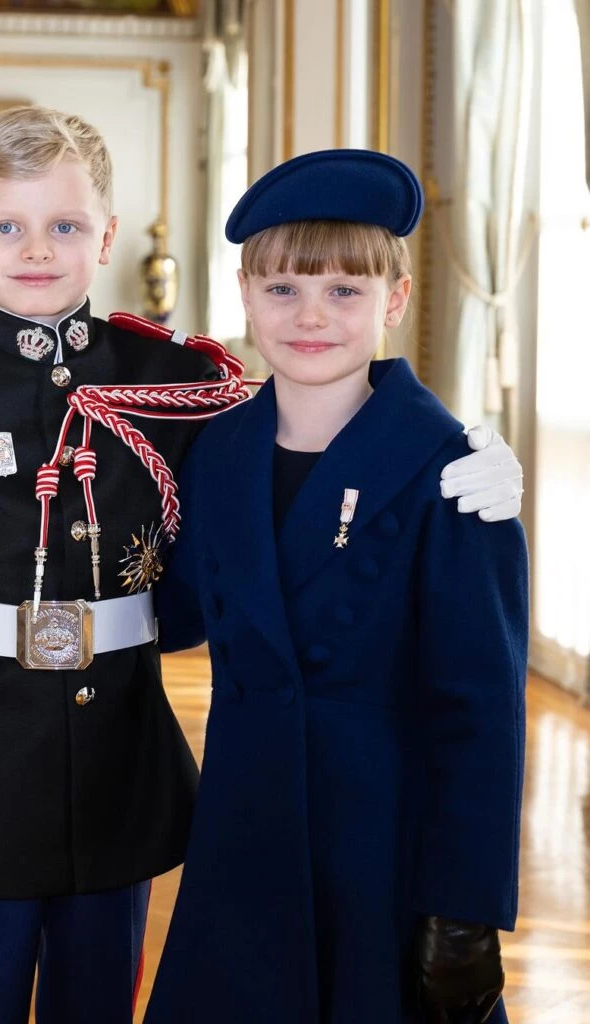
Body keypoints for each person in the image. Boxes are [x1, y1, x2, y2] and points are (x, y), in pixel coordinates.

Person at [0, 107, 522, 1024]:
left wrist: (474, 452)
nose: (37, 250)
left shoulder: (172, 386)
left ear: (106, 235)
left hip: (130, 790)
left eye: (66, 225)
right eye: (6, 226)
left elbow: (261, 550)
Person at [144, 150, 527, 1024]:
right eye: (282, 291)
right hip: (243, 832)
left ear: (393, 299)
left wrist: (465, 914)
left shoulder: (452, 473)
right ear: (244, 293)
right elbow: (174, 614)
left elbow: (480, 717)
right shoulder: (218, 450)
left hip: (381, 850)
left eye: (344, 292)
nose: (310, 316)